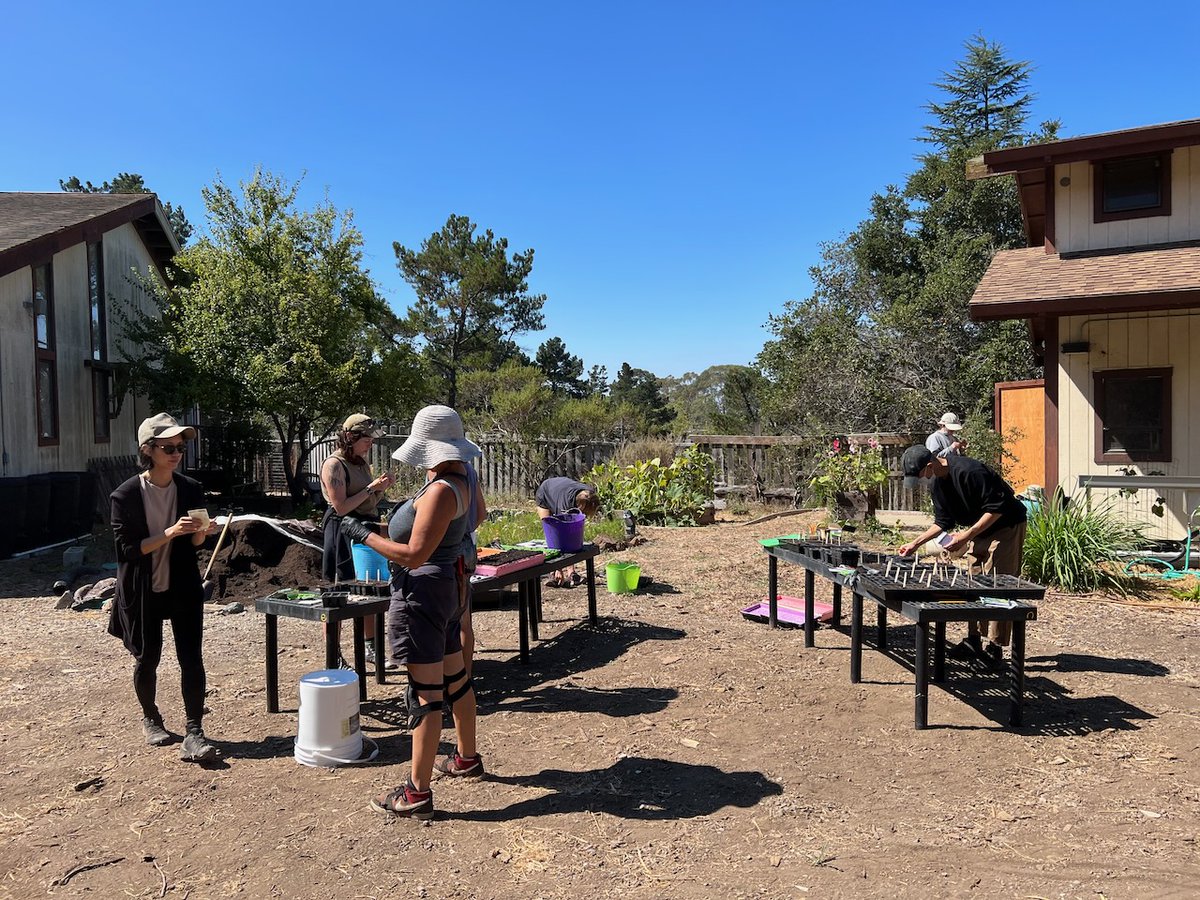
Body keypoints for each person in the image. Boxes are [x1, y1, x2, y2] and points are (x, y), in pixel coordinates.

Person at [341, 405, 483, 820]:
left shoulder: (441, 489)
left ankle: (417, 793)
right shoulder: (458, 479)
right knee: (456, 677)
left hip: (424, 592)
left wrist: (362, 532)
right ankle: (465, 757)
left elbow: (416, 554)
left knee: (425, 696)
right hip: (446, 588)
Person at [109, 413, 220, 762]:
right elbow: (126, 550)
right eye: (168, 447)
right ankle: (151, 717)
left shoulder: (189, 488)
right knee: (148, 658)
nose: (176, 453)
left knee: (192, 658)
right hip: (143, 589)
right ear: (148, 450)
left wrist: (202, 532)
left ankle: (194, 730)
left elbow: (196, 543)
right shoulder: (125, 495)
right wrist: (170, 532)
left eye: (181, 447)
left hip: (182, 586)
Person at [898, 445, 1027, 661]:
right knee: (974, 581)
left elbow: (997, 506)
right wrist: (915, 543)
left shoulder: (970, 471)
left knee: (997, 582)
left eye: (920, 475)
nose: (921, 481)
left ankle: (995, 649)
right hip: (978, 530)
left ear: (930, 466)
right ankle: (973, 641)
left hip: (1005, 526)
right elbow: (943, 521)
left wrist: (967, 536)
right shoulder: (938, 485)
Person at [320, 414, 395, 669]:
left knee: (370, 588)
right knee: (337, 592)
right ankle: (334, 654)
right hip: (341, 529)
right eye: (366, 439)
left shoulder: (361, 462)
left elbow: (368, 503)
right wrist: (371, 488)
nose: (370, 444)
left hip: (364, 528)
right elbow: (341, 507)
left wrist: (381, 487)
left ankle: (371, 648)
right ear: (351, 437)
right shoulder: (334, 465)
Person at [535, 476, 600, 587]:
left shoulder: (590, 495)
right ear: (580, 506)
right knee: (552, 532)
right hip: (545, 492)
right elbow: (560, 538)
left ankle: (572, 573)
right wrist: (558, 568)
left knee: (572, 535)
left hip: (560, 488)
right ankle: (555, 572)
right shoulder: (564, 505)